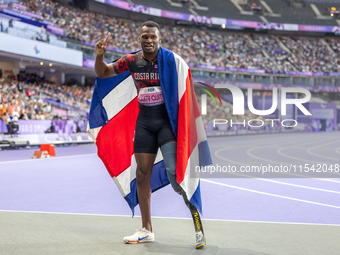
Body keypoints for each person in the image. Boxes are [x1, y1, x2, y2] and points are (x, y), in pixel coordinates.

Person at [94, 21, 206, 248]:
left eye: (152, 36)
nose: (149, 40)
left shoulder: (172, 61)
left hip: (166, 124)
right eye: (145, 37)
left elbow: (186, 83)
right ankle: (147, 229)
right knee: (142, 174)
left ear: (159, 39)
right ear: (140, 39)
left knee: (177, 177)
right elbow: (104, 72)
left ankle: (197, 223)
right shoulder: (132, 61)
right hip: (144, 123)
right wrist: (99, 56)